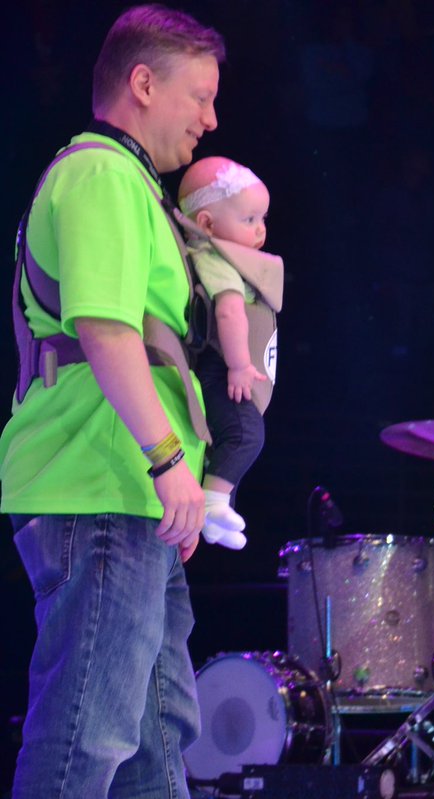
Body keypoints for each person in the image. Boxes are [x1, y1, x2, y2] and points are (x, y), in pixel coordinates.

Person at [0, 5, 223, 797]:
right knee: (84, 736)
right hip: (99, 484)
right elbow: (103, 329)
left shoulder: (131, 184)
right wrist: (168, 459)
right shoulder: (98, 173)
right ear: (141, 83)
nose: (211, 117)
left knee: (156, 740)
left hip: (130, 494)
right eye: (198, 96)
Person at [178, 155, 283, 550]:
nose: (260, 231)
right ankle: (214, 503)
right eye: (249, 220)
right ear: (206, 224)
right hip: (223, 369)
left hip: (231, 370)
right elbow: (228, 310)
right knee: (243, 437)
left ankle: (216, 514)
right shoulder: (215, 257)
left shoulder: (232, 258)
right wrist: (238, 365)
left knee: (234, 439)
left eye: (263, 219)